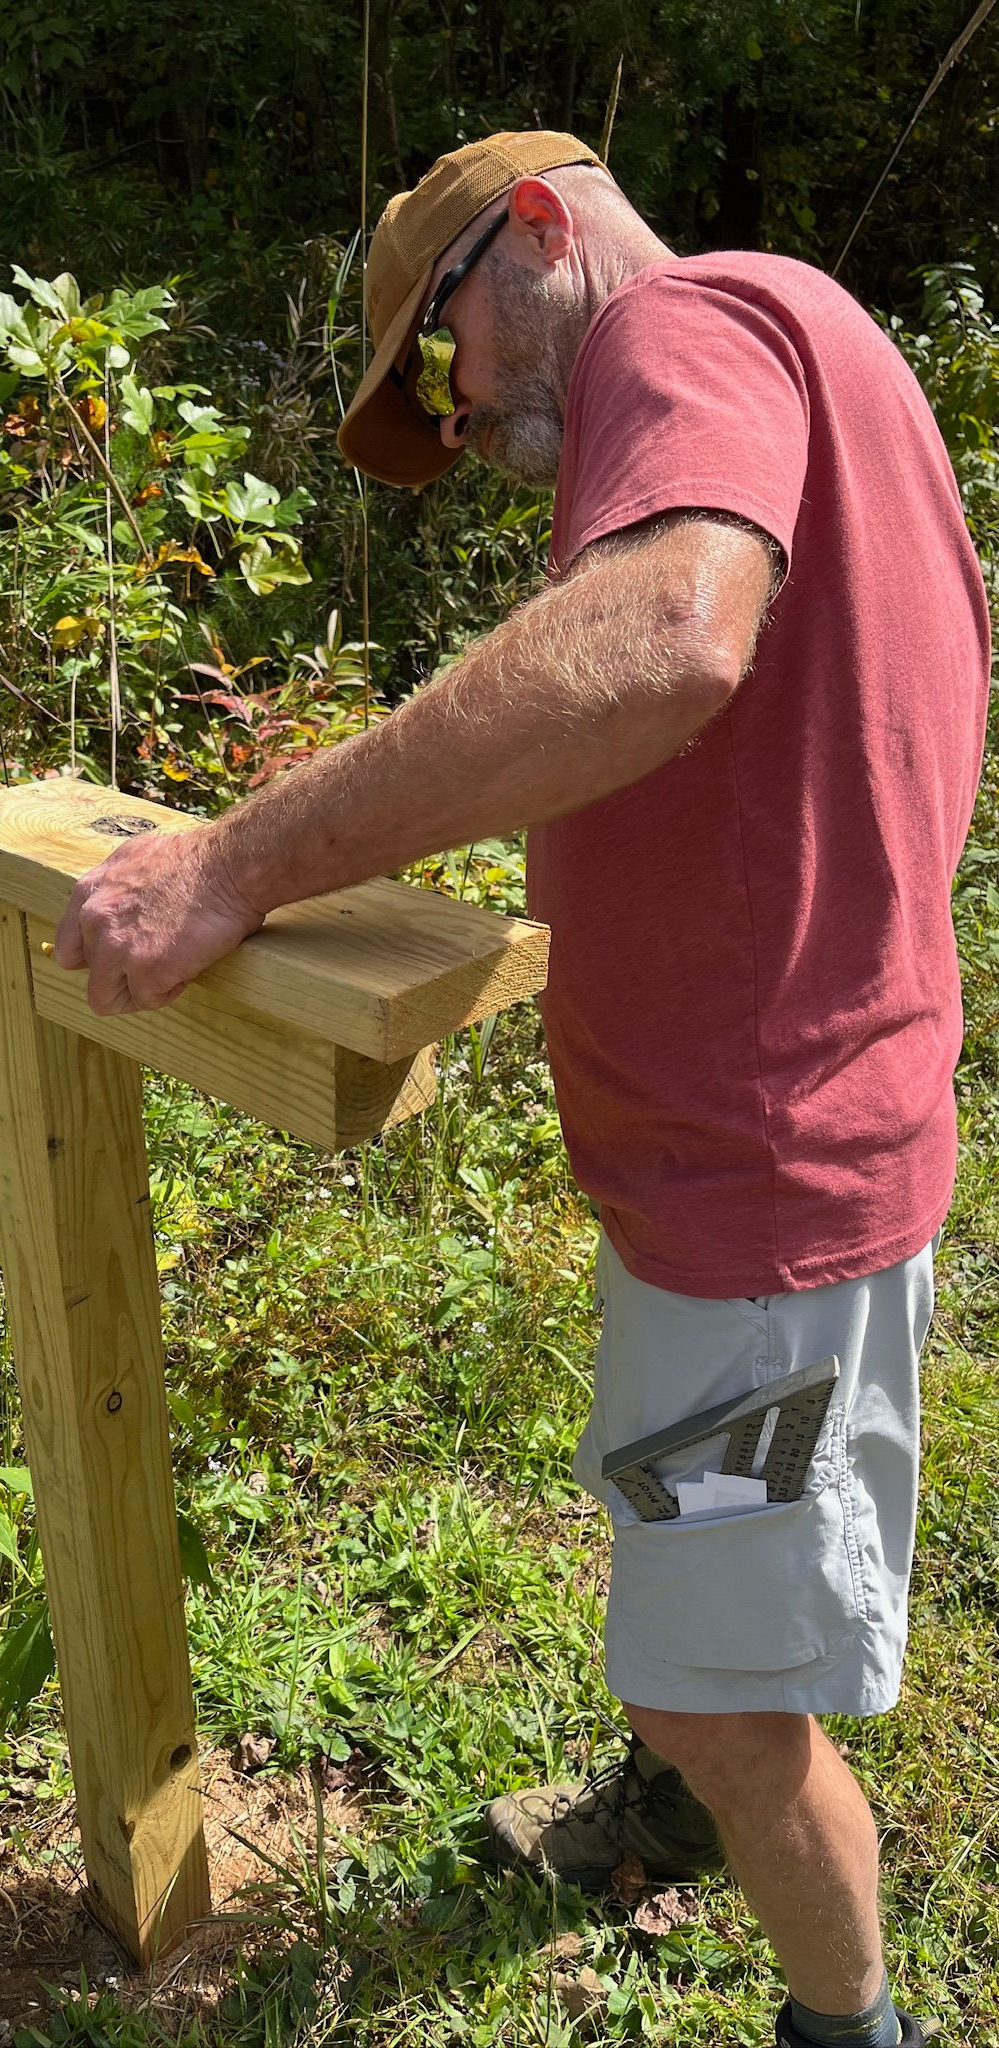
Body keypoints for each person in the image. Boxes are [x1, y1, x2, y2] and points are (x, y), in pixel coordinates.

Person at [53, 131, 990, 2048]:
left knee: (715, 1688)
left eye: (443, 352)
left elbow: (663, 639)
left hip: (764, 1202)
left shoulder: (679, 327)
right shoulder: (819, 329)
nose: (460, 412)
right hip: (786, 1137)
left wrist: (236, 861)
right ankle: (673, 1802)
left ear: (538, 235)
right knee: (697, 1539)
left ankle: (849, 2012)